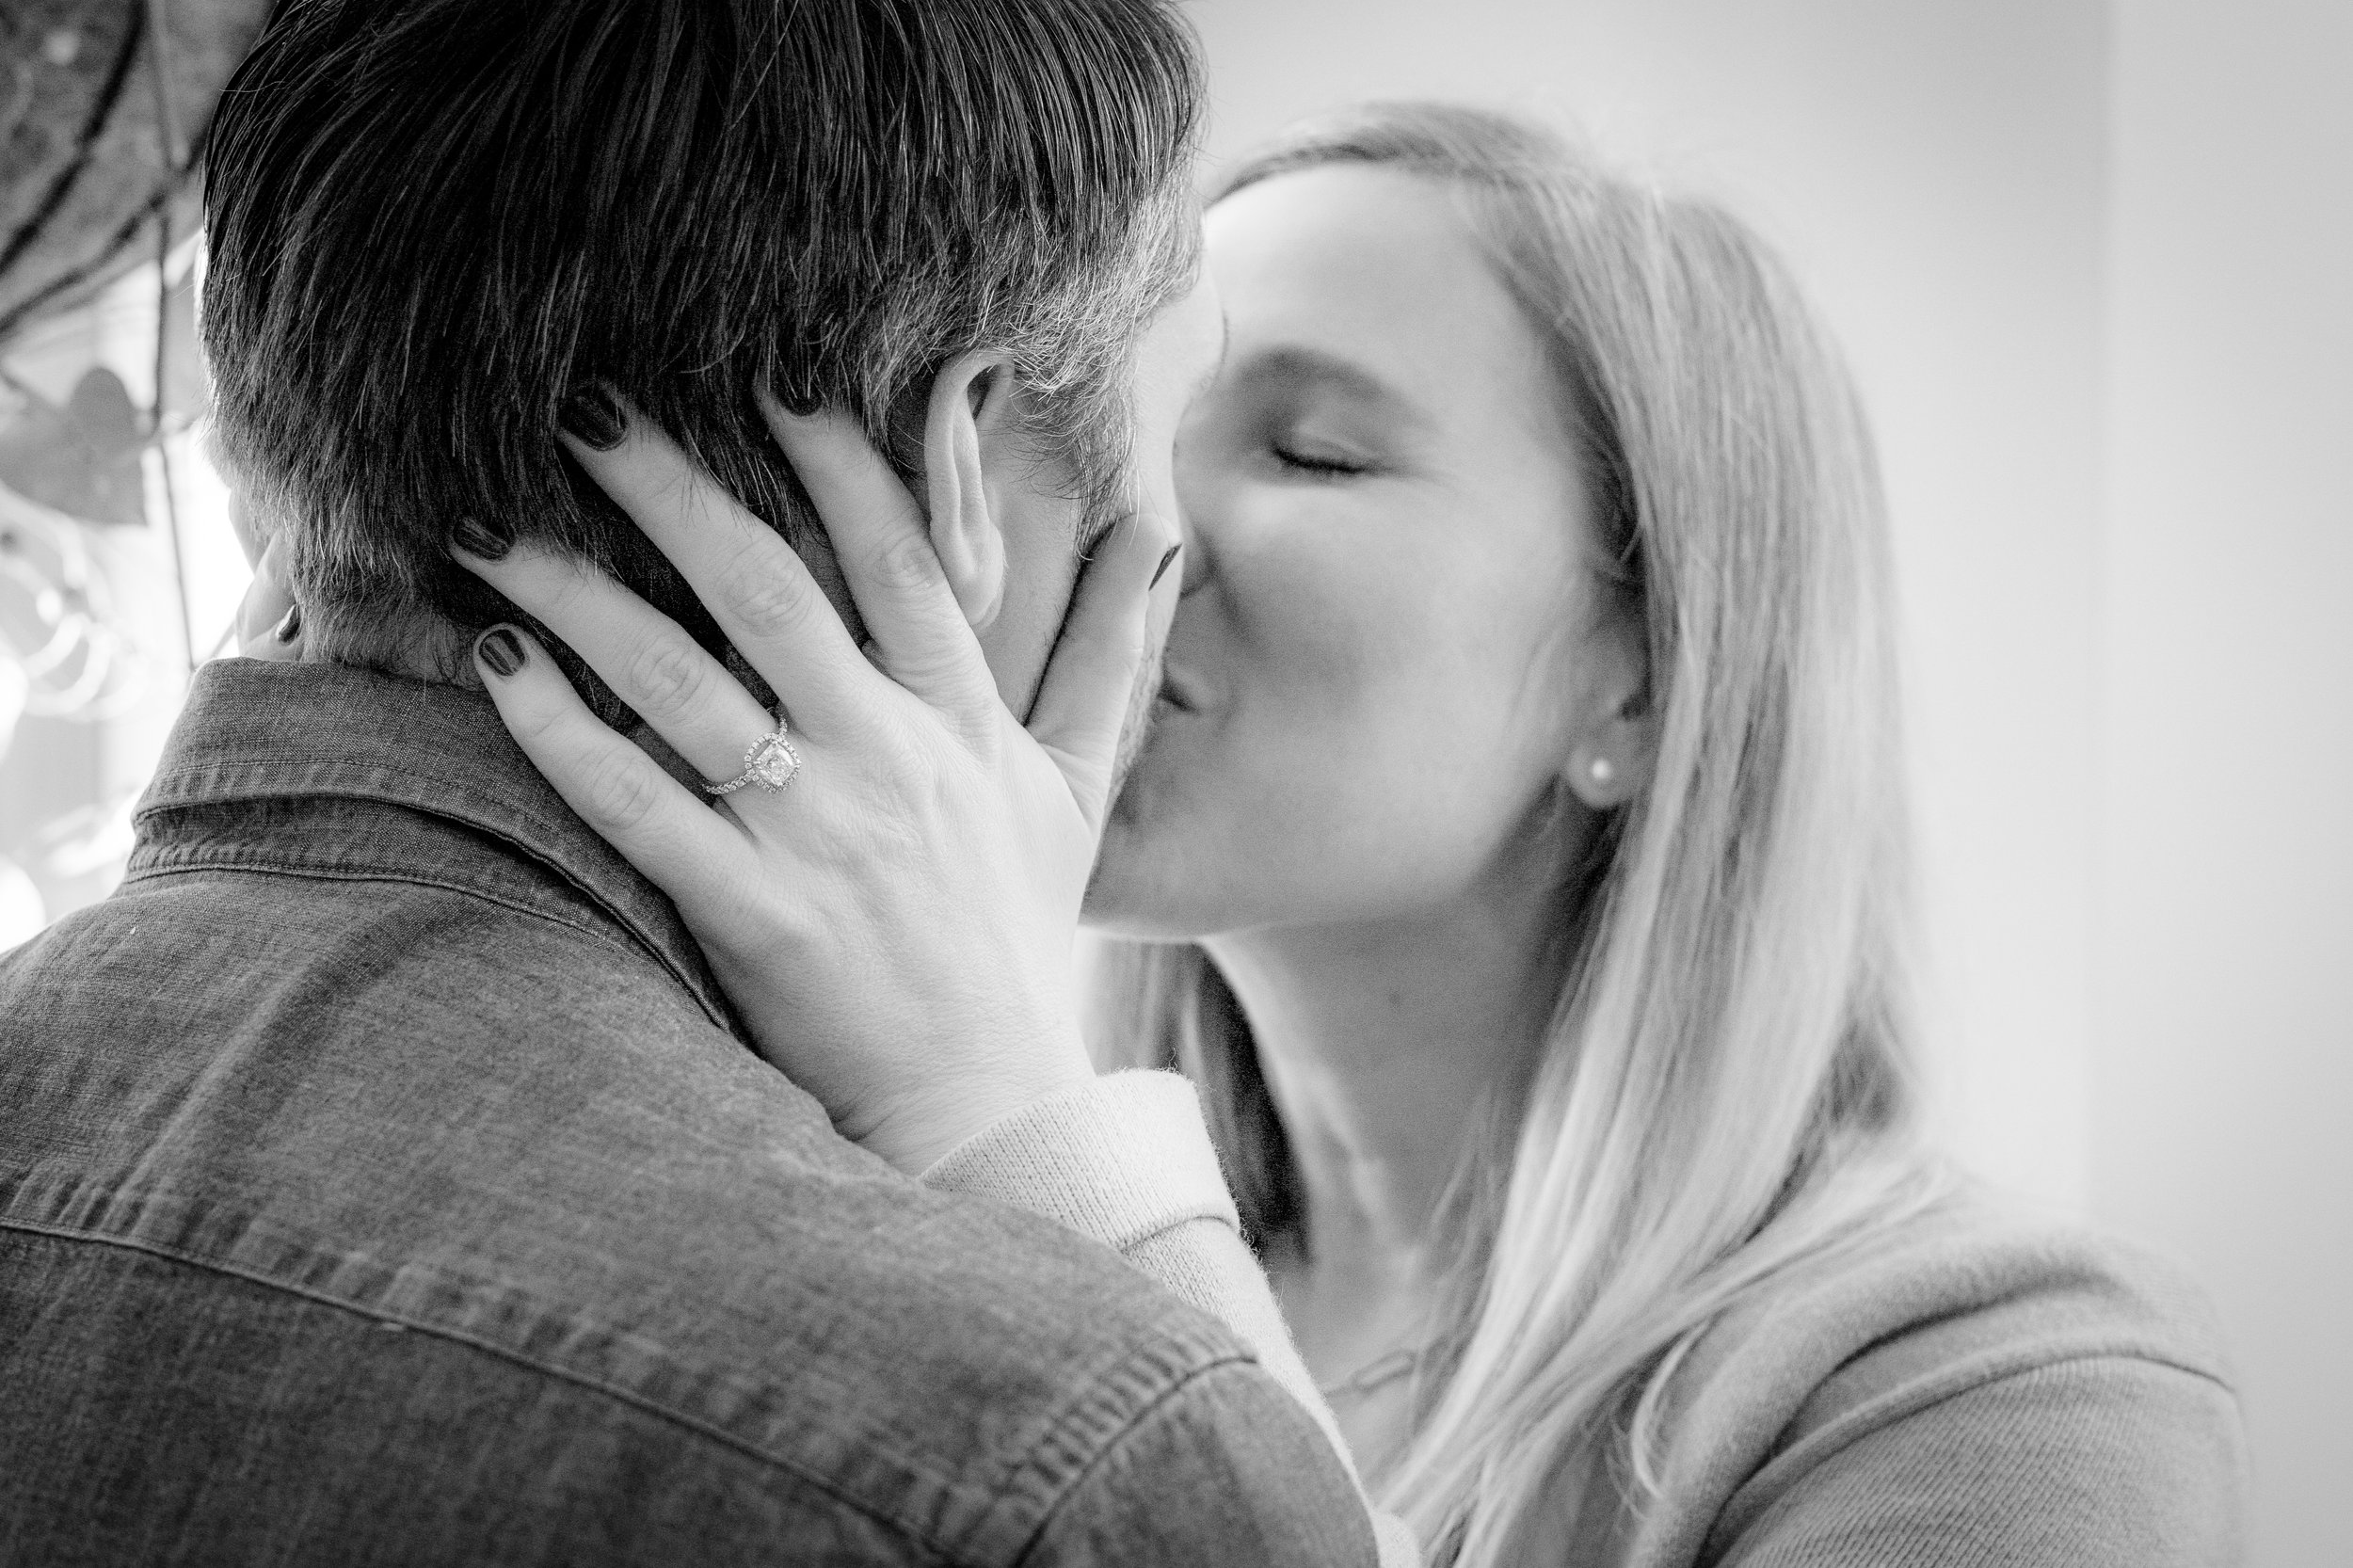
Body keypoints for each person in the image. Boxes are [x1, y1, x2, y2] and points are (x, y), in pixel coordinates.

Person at [440, 104, 2249, 1565]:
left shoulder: (1996, 1400)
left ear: (1639, 679)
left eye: (1309, 453)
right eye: (1118, 428)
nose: (1128, 521)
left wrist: (1007, 1122)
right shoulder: (923, 1222)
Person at [0, 1, 1388, 1562]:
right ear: (964, 458)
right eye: (1184, 410)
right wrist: (1017, 1119)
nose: (1185, 544)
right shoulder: (1059, 1455)